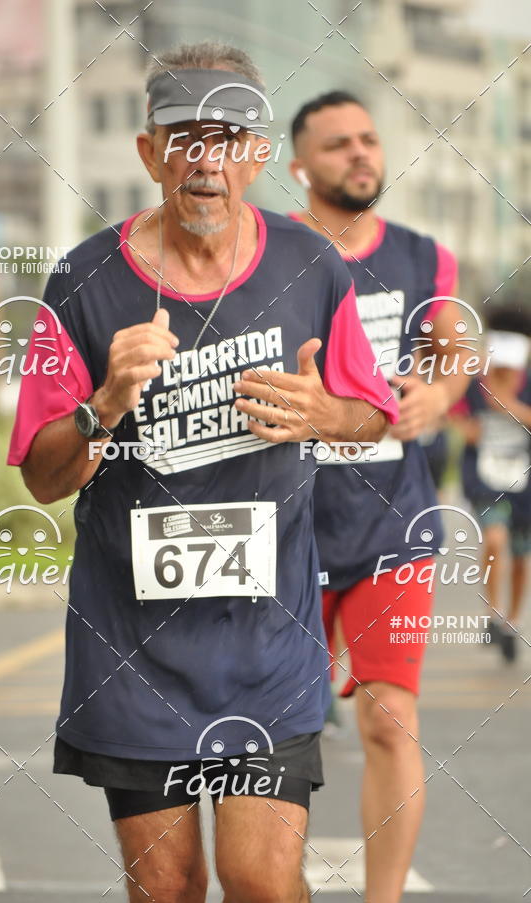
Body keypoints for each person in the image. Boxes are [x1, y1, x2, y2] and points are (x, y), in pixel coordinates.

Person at [8, 46, 397, 903]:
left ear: (259, 154)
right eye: (184, 138)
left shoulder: (311, 264)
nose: (206, 160)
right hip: (132, 649)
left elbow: (373, 412)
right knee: (170, 886)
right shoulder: (82, 279)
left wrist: (322, 413)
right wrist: (105, 401)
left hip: (268, 643)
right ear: (149, 154)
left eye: (228, 138)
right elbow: (42, 476)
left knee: (261, 876)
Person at [289, 91, 471, 903]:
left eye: (368, 140)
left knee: (388, 718)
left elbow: (451, 352)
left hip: (392, 520)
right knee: (276, 734)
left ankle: (383, 899)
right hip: (283, 525)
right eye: (338, 145)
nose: (361, 154)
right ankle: (271, 883)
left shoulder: (422, 255)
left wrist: (438, 394)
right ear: (300, 165)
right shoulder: (267, 252)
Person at [455, 304, 531, 663]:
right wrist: (467, 429)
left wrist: (511, 408)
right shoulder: (475, 381)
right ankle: (492, 614)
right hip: (486, 479)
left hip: (524, 483)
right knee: (494, 538)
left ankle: (511, 621)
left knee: (520, 558)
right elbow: (451, 411)